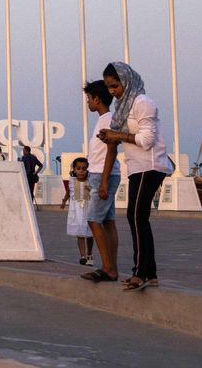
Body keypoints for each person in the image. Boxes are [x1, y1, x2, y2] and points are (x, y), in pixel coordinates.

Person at [97, 61, 167, 292]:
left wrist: (117, 134)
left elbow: (147, 140)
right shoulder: (124, 107)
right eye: (109, 88)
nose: (113, 92)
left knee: (136, 216)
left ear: (126, 81)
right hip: (137, 167)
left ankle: (140, 273)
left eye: (115, 86)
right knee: (138, 217)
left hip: (150, 165)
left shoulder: (142, 103)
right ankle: (150, 273)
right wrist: (112, 137)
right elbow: (126, 135)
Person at [80, 80, 120, 283]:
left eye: (89, 98)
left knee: (94, 220)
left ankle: (108, 268)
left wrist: (103, 182)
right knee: (108, 222)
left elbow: (111, 150)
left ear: (97, 98)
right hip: (101, 174)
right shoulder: (104, 119)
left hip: (104, 176)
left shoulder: (107, 120)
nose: (88, 102)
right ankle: (111, 266)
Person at [63, 156, 93, 266]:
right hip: (76, 210)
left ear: (87, 169)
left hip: (88, 209)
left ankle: (89, 253)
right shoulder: (72, 181)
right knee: (80, 233)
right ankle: (83, 256)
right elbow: (68, 192)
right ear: (74, 169)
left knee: (90, 233)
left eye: (84, 168)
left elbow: (95, 193)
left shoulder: (90, 181)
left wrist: (91, 189)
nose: (81, 171)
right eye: (78, 168)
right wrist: (64, 201)